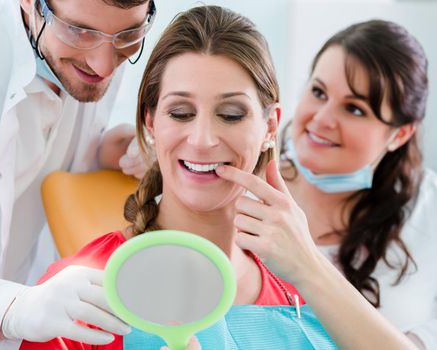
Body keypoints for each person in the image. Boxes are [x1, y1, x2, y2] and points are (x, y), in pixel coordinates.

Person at [21, 6, 417, 350]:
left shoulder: (302, 288)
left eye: (231, 114)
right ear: (151, 122)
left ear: (269, 127)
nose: (203, 139)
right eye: (180, 113)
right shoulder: (83, 293)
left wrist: (309, 266)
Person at [0, 0, 156, 348]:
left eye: (129, 35)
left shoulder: (94, 49)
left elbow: (42, 149)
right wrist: (13, 308)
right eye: (79, 31)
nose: (103, 65)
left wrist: (113, 151)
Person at [280, 20, 436, 349]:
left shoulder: (429, 213)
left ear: (401, 134)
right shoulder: (245, 185)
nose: (321, 119)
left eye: (354, 108)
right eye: (318, 92)